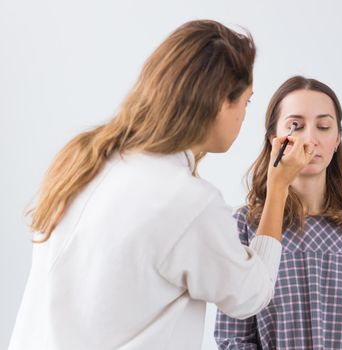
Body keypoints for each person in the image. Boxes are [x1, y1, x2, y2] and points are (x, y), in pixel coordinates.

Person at [8, 21, 315, 350]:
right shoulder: (189, 203)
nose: (243, 115)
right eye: (246, 102)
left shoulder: (85, 159)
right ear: (220, 103)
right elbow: (250, 293)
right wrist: (278, 186)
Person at [215, 76, 342, 349]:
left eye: (323, 126)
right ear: (274, 139)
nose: (310, 139)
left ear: (337, 140)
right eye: (295, 126)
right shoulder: (245, 225)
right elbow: (234, 339)